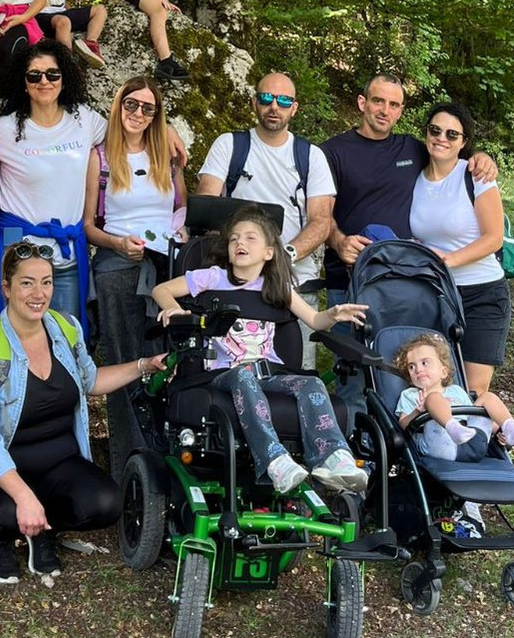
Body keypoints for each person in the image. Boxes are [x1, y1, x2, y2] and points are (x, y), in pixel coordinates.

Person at [0, 243, 166, 584]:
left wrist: (143, 366)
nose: (39, 293)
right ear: (6, 288)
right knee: (8, 510)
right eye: (27, 283)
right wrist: (24, 497)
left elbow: (90, 381)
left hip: (57, 461)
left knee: (106, 503)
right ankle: (1, 532)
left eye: (46, 282)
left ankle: (40, 527)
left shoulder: (65, 328)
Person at [152, 208, 369, 495]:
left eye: (250, 238)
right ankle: (274, 461)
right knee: (243, 375)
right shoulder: (212, 277)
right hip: (223, 374)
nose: (240, 243)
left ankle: (332, 457)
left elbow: (315, 320)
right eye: (234, 240)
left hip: (269, 374)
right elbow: (161, 290)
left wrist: (334, 312)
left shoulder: (278, 288)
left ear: (268, 252)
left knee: (312, 383)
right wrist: (173, 308)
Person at [195, 73, 334, 367]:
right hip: (235, 284)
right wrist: (248, 256)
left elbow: (321, 221)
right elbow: (207, 206)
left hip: (295, 284)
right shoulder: (229, 145)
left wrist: (281, 257)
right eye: (266, 98)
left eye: (283, 100)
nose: (274, 107)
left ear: (294, 108)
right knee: (231, 375)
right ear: (254, 102)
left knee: (297, 374)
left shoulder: (311, 156)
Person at [321, 73, 498, 301]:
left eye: (393, 104)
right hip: (349, 279)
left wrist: (480, 157)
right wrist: (338, 241)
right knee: (346, 338)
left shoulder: (411, 149)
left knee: (402, 338)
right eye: (378, 101)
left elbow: (447, 150)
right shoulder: (331, 152)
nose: (385, 110)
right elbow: (318, 214)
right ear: (362, 103)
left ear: (400, 111)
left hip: (402, 280)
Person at [84, 75, 185, 472]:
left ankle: (170, 462)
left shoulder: (167, 156)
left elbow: (180, 210)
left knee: (170, 363)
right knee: (127, 366)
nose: (138, 114)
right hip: (119, 268)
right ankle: (129, 467)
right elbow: (89, 224)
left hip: (165, 271)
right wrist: (116, 243)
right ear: (118, 105)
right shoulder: (101, 157)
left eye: (148, 108)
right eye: (131, 104)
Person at [0, 39, 108, 323]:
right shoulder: (2, 130)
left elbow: (129, 136)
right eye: (34, 75)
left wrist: (167, 132)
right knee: (14, 337)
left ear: (64, 79)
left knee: (65, 338)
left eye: (53, 74)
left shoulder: (85, 120)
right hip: (19, 254)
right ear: (23, 82)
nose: (44, 81)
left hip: (67, 258)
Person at [410, 100, 514, 397]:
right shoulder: (414, 179)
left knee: (472, 390)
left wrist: (449, 260)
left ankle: (480, 442)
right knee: (432, 385)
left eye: (452, 134)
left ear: (463, 141)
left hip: (482, 294)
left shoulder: (475, 176)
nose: (441, 138)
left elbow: (494, 237)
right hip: (435, 296)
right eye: (435, 130)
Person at [394, 331, 514, 462]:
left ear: (443, 371)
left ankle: (510, 428)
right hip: (440, 444)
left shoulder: (456, 391)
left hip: (473, 443)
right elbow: (403, 425)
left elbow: (472, 415)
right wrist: (418, 412)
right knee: (433, 398)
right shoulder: (409, 395)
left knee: (487, 397)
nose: (418, 369)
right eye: (411, 367)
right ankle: (452, 427)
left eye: (425, 363)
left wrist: (498, 431)